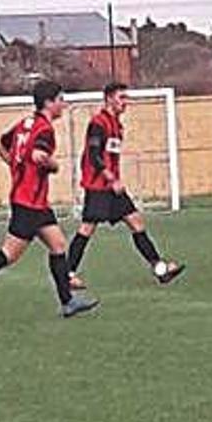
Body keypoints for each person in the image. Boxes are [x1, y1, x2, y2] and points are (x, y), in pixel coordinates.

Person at [0, 81, 99, 319]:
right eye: (61, 100)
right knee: (9, 254)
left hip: (33, 201)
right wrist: (53, 165)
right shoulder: (45, 129)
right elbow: (38, 155)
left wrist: (17, 167)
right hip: (28, 202)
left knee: (58, 245)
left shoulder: (24, 124)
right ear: (49, 102)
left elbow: (2, 146)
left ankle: (68, 302)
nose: (64, 104)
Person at [66, 82, 185, 289]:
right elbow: (93, 155)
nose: (125, 102)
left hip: (113, 188)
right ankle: (67, 275)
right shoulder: (98, 123)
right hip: (99, 187)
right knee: (87, 229)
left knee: (136, 222)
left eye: (126, 98)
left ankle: (160, 268)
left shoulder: (117, 126)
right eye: (121, 98)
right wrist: (110, 178)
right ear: (109, 98)